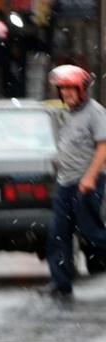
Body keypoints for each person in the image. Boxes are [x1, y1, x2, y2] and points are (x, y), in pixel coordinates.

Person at [42, 64, 106, 301]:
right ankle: (61, 283)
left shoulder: (95, 112)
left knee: (93, 236)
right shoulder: (67, 113)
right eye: (62, 89)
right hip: (65, 183)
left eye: (70, 89)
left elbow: (103, 146)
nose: (66, 93)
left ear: (82, 90)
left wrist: (90, 176)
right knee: (58, 234)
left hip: (87, 183)